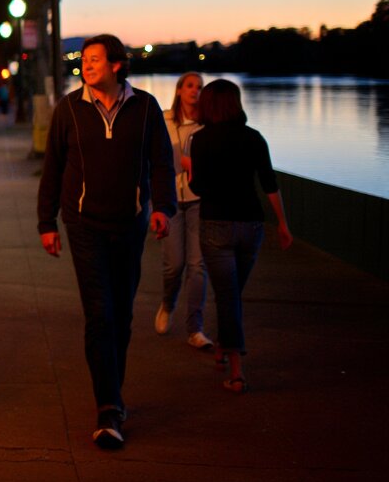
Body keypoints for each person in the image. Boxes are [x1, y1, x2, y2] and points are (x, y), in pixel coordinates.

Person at [37, 34, 175, 450]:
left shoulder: (146, 107)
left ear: (117, 65)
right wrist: (47, 221)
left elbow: (162, 162)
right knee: (99, 315)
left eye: (95, 59)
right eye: (84, 59)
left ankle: (113, 390)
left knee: (120, 315)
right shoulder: (69, 108)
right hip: (84, 225)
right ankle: (108, 407)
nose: (86, 64)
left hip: (130, 224)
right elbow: (53, 167)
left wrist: (162, 207)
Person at [189, 79, 293, 394]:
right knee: (232, 293)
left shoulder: (200, 140)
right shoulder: (254, 138)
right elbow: (269, 183)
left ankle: (236, 371)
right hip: (251, 226)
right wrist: (283, 225)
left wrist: (194, 179)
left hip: (216, 225)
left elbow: (198, 187)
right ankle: (224, 348)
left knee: (227, 295)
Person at [155, 72, 213, 350]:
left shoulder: (208, 126)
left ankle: (195, 328)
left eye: (200, 87)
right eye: (190, 86)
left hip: (200, 199)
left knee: (197, 266)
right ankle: (167, 303)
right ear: (179, 90)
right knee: (174, 265)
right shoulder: (164, 121)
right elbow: (152, 156)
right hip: (169, 201)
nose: (195, 91)